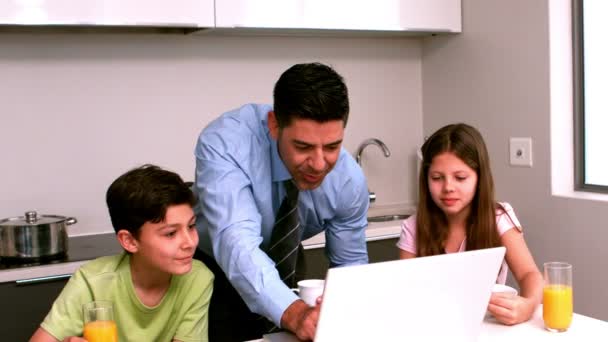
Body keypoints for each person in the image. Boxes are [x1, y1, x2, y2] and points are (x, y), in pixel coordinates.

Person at [193, 62, 369, 341]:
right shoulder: (226, 143)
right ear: (274, 125)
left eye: (333, 146)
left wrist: (343, 310)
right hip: (214, 271)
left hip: (285, 263)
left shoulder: (348, 179)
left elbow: (350, 265)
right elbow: (236, 243)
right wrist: (295, 313)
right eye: (303, 147)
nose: (319, 164)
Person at [30, 164, 214, 342]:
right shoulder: (92, 281)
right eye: (171, 233)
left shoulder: (197, 278)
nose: (190, 243)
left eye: (191, 226)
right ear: (130, 241)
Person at [397, 123, 543, 325]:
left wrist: (527, 306)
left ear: (479, 178)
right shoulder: (413, 227)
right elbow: (406, 289)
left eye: (460, 177)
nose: (448, 187)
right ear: (426, 179)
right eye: (437, 178)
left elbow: (530, 274)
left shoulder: (498, 219)